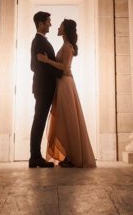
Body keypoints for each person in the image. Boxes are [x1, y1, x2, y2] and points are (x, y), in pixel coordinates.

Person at [37, 18, 97, 168]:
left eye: (60, 26)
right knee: (64, 120)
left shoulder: (67, 46)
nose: (57, 27)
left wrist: (46, 60)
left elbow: (64, 67)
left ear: (65, 30)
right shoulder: (66, 45)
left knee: (67, 119)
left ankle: (72, 156)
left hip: (65, 84)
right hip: (63, 84)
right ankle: (69, 155)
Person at [29, 10, 62, 168]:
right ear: (41, 23)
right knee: (39, 121)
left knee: (39, 120)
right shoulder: (39, 42)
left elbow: (36, 66)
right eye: (48, 21)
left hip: (43, 87)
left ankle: (35, 156)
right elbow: (37, 66)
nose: (50, 24)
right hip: (43, 88)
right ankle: (35, 157)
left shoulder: (40, 41)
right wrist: (60, 71)